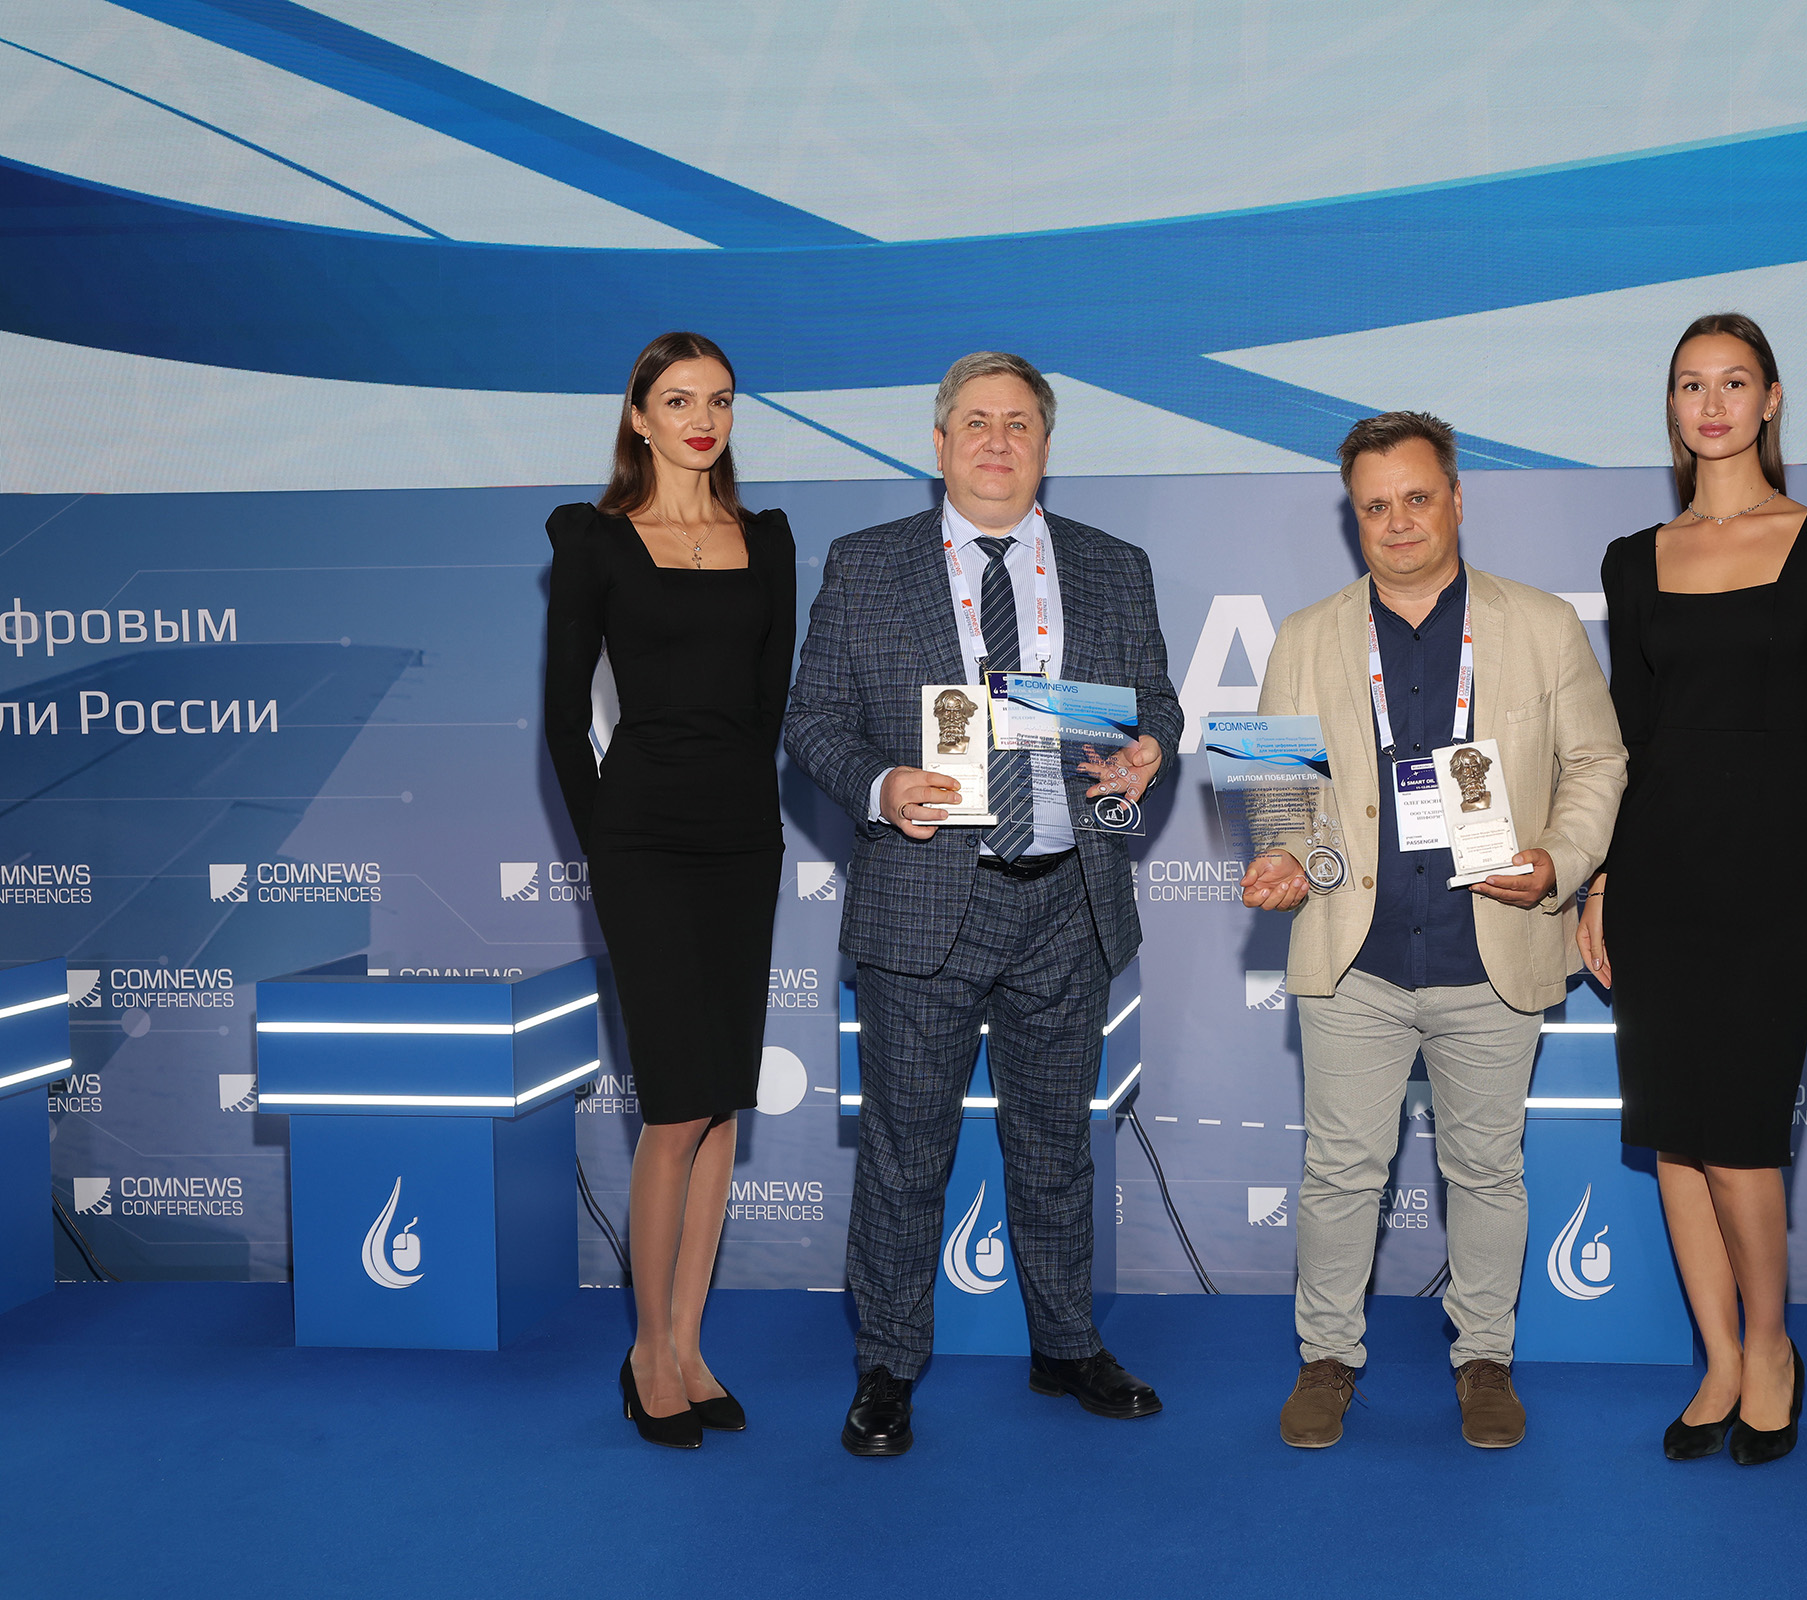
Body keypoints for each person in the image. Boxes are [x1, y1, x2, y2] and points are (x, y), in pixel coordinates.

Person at [783, 351, 1182, 1457]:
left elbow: (1155, 704)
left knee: (1054, 1147)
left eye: (1017, 423)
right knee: (905, 1151)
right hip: (923, 898)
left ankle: (1065, 1344)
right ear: (939, 443)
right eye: (975, 422)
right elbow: (812, 718)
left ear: (1045, 446)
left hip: (1067, 898)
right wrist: (878, 783)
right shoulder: (867, 563)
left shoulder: (1112, 565)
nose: (996, 441)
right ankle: (886, 1366)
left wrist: (1151, 748)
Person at [1241, 411, 1627, 1451]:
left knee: (1487, 1173)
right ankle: (1325, 1358)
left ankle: (1484, 1359)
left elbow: (1597, 760)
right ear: (1352, 516)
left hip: (1491, 949)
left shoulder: (1540, 624)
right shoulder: (1305, 636)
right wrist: (1282, 854)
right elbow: (1278, 785)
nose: (1398, 520)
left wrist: (1559, 860)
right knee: (1339, 1175)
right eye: (1375, 505)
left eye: (1416, 497)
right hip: (1353, 956)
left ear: (1455, 499)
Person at [1580, 312, 1807, 1467]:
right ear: (1670, 404)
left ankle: (1770, 1349)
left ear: (1770, 399)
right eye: (1689, 384)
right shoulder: (1631, 557)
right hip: (1654, 869)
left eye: (1733, 382)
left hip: (1773, 865)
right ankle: (1714, 1358)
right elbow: (1626, 738)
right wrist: (1600, 878)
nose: (1710, 404)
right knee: (1673, 1134)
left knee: (1741, 1136)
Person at [543, 331, 796, 1449]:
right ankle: (646, 1351)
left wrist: (743, 811)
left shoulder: (767, 539)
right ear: (639, 417)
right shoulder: (595, 540)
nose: (702, 420)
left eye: (720, 401)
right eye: (679, 400)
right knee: (674, 1103)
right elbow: (563, 720)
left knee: (722, 1100)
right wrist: (606, 845)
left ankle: (690, 1346)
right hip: (640, 838)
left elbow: (767, 707)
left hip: (742, 838)